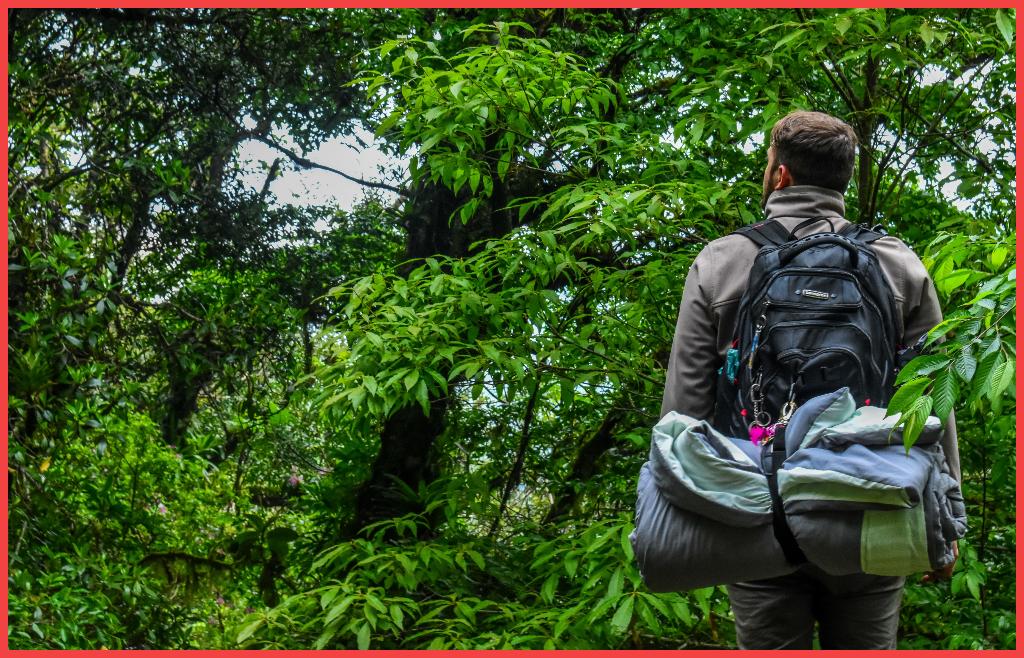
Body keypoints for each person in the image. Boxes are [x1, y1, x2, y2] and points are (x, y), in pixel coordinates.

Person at [660, 110, 961, 650]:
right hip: (872, 509)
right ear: (843, 179)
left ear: (780, 175)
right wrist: (947, 519)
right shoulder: (899, 265)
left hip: (755, 509)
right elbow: (935, 403)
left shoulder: (722, 260)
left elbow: (684, 409)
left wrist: (680, 520)